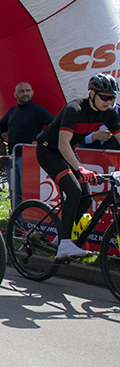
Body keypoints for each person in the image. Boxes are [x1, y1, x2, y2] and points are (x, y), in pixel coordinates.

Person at [36, 73, 120, 258]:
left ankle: (61, 237)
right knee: (74, 191)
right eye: (104, 97)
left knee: (87, 197)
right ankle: (65, 244)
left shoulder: (110, 113)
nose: (109, 101)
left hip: (68, 150)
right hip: (49, 150)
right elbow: (62, 144)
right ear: (91, 93)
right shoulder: (74, 109)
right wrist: (81, 169)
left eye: (112, 97)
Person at [0, 81, 54, 208]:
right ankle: (16, 222)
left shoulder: (38, 110)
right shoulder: (11, 111)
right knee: (13, 192)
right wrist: (4, 135)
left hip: (28, 159)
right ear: (15, 94)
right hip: (12, 158)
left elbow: (54, 124)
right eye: (22, 91)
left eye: (28, 90)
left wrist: (40, 139)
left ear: (32, 92)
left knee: (27, 193)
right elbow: (1, 125)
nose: (25, 93)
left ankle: (27, 221)